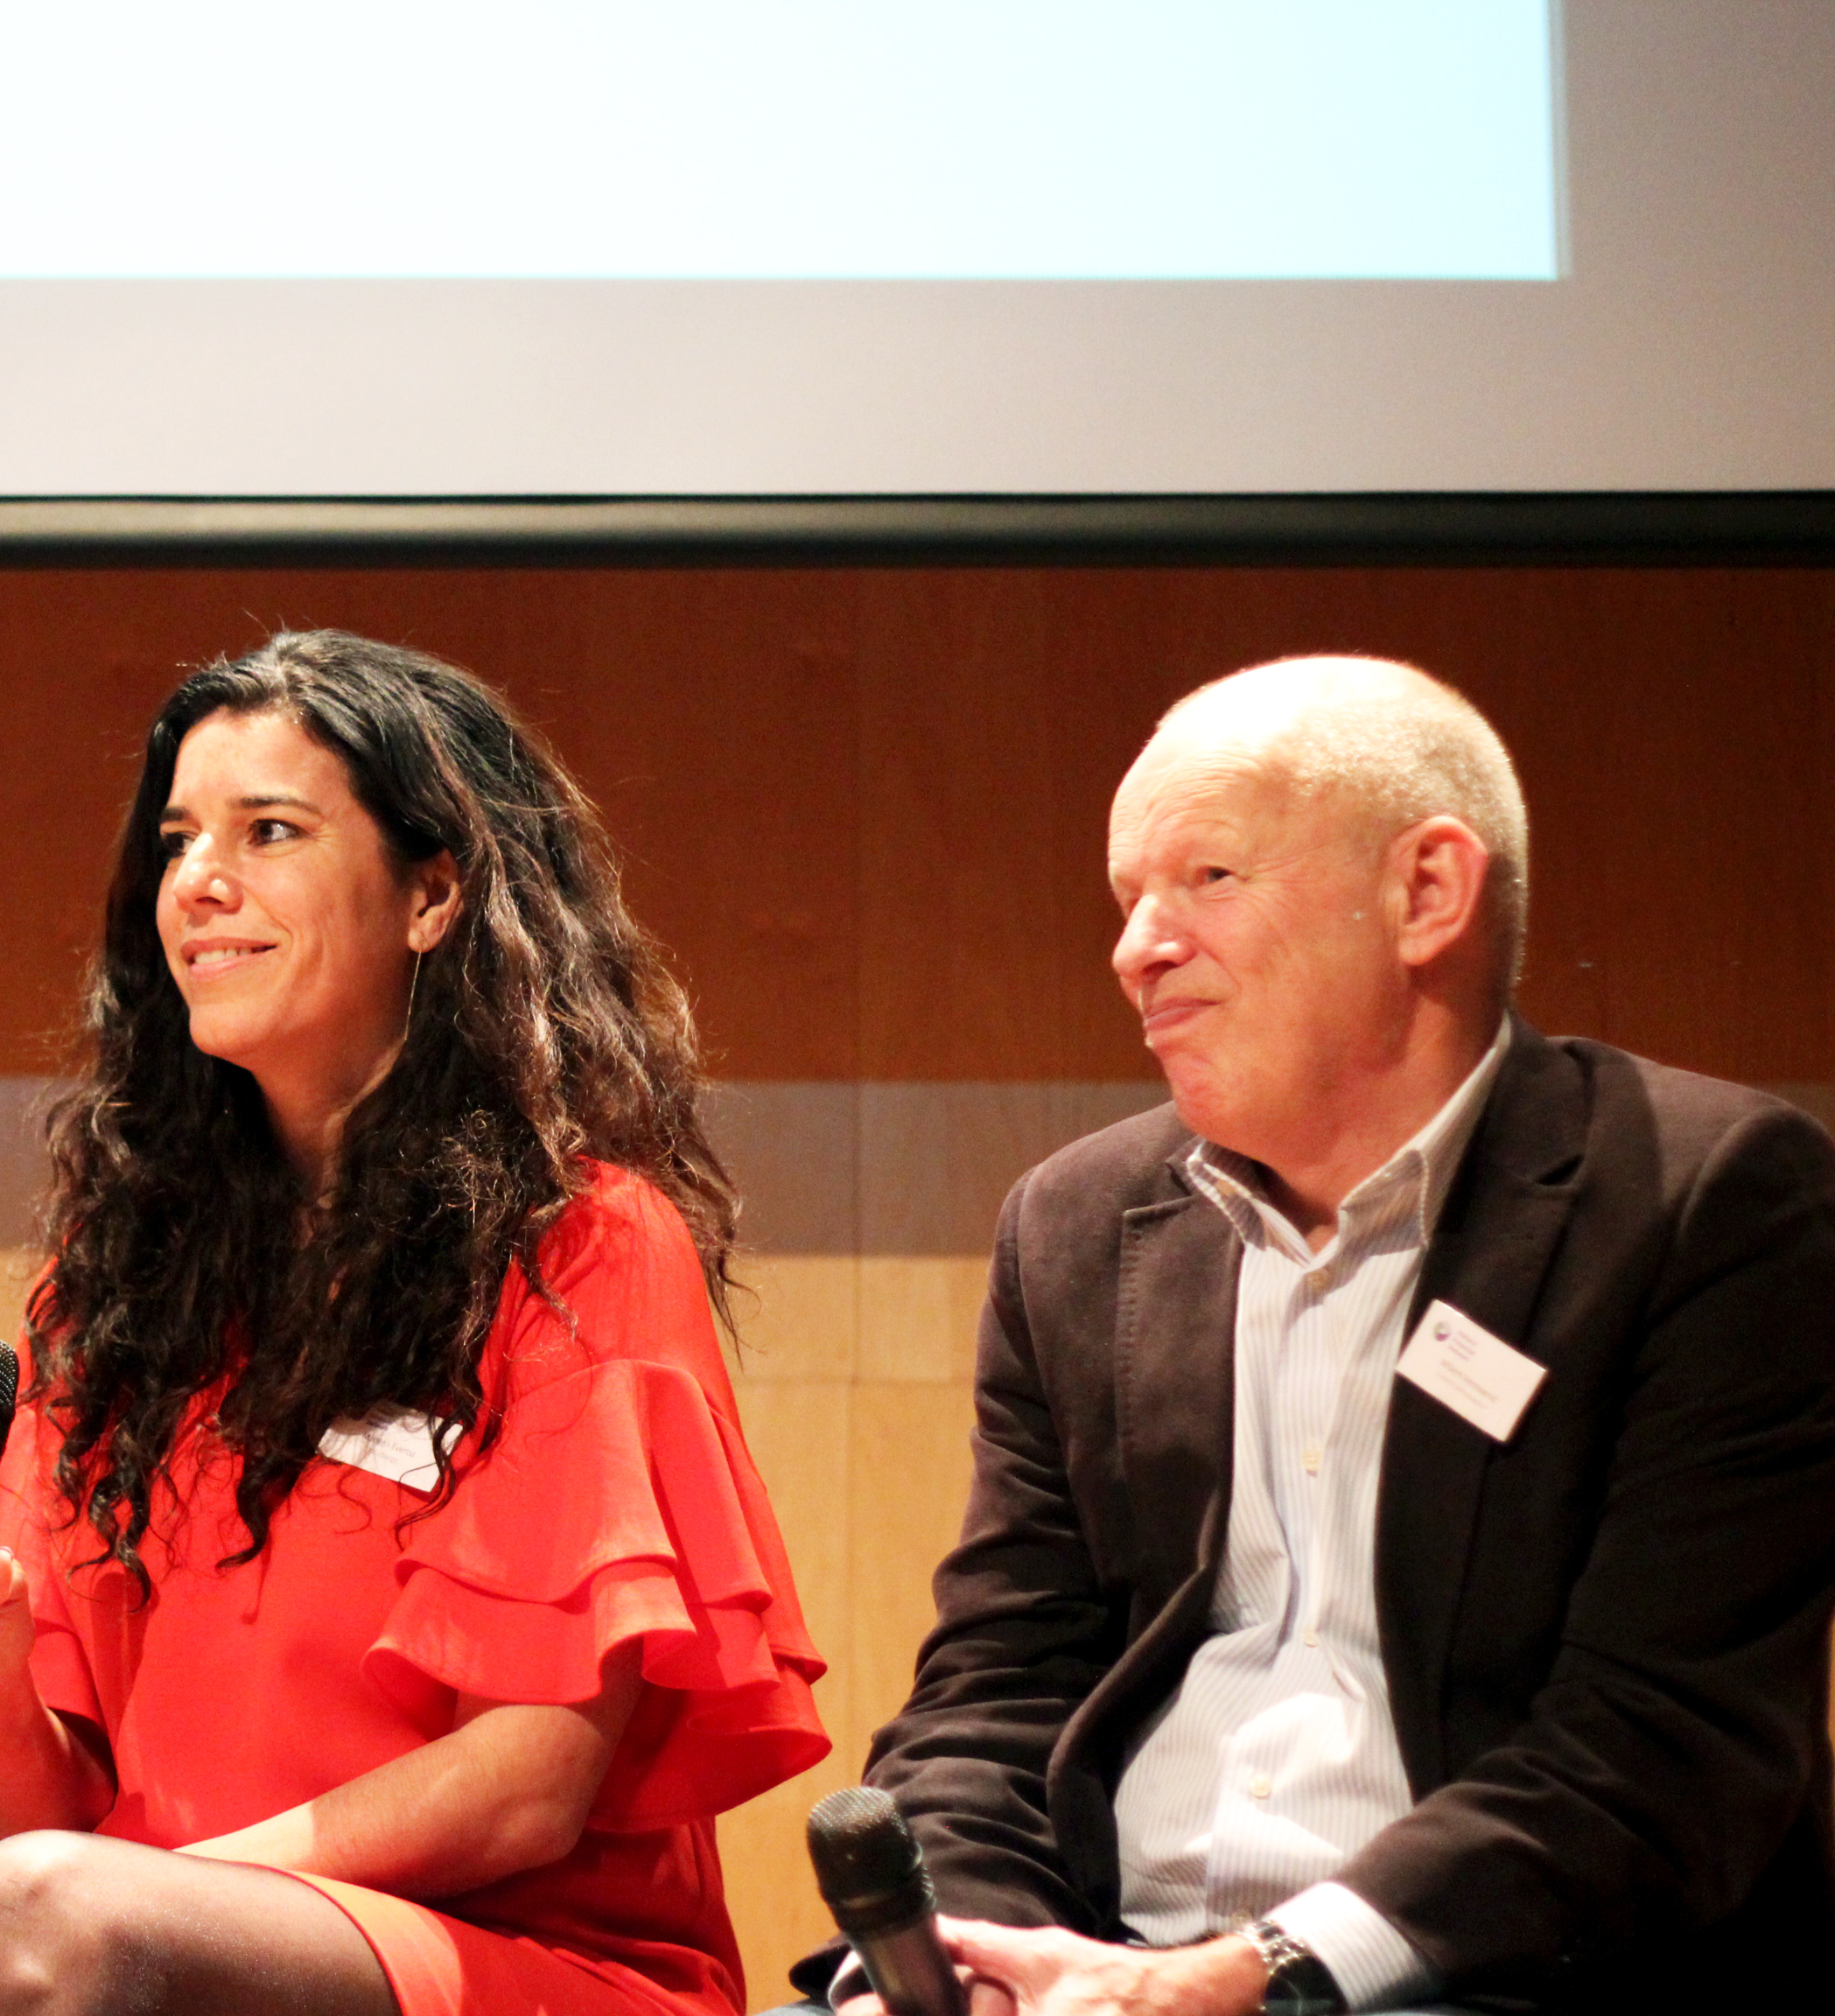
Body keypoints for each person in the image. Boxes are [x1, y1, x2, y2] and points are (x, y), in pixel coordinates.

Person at [0, 631, 829, 2015]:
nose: (197, 883)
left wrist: (103, 1910)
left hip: (533, 1966)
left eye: (268, 831)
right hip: (175, 1949)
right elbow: (50, 1816)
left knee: (31, 1923)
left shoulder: (581, 1247)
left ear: (433, 894)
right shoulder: (112, 1289)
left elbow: (524, 1787)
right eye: (178, 841)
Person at [786, 657, 1835, 2015]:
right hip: (1101, 1964)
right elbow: (997, 1688)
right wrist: (968, 1960)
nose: (1136, 948)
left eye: (1208, 878)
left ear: (1427, 893)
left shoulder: (1701, 1199)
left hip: (1483, 1980)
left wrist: (1247, 1978)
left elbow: (1661, 1748)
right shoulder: (1078, 1224)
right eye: (1126, 899)